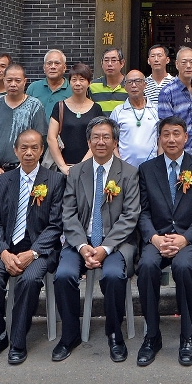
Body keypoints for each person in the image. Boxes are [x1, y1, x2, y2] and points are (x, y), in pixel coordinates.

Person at [52, 116, 140, 363]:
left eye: (106, 137)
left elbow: (130, 215)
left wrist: (104, 247)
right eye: (96, 137)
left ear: (115, 142)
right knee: (63, 275)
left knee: (113, 276)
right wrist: (82, 246)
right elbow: (67, 213)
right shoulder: (76, 172)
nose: (101, 142)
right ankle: (69, 334)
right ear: (88, 141)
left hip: (115, 243)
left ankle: (114, 333)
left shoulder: (129, 173)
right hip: (80, 242)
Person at [0, 128, 65, 365]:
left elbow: (56, 225)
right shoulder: (3, 181)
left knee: (29, 280)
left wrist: (34, 252)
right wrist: (4, 253)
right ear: (15, 150)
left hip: (38, 251)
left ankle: (17, 340)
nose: (28, 153)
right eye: (23, 148)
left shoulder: (55, 180)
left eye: (34, 148)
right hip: (5, 248)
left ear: (42, 150)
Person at [135, 116, 192, 367]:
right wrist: (154, 238)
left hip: (188, 240)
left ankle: (187, 335)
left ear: (186, 137)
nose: (171, 139)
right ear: (159, 138)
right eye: (166, 134)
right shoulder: (147, 169)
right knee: (146, 266)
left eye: (176, 133)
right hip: (156, 238)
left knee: (182, 267)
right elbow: (143, 212)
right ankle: (152, 336)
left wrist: (185, 239)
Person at [0, 64, 47, 179]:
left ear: (25, 81)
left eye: (17, 80)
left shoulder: (35, 106)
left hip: (25, 169)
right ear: (4, 80)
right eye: (9, 80)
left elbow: (40, 139)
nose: (13, 84)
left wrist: (24, 166)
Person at [47, 62, 104, 174]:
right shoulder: (59, 106)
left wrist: (81, 166)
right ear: (69, 83)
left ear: (89, 83)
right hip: (63, 168)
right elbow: (51, 138)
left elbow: (97, 139)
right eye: (74, 80)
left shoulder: (96, 108)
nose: (78, 83)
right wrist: (63, 167)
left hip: (88, 168)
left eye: (82, 79)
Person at [157, 47, 192, 157]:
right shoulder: (167, 92)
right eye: (184, 62)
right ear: (176, 64)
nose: (188, 66)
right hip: (179, 156)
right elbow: (166, 127)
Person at [112, 69, 160, 169]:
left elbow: (161, 140)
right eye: (129, 82)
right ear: (125, 87)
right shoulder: (118, 111)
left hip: (152, 168)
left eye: (138, 81)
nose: (134, 85)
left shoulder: (156, 110)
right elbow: (112, 140)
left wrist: (159, 162)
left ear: (145, 84)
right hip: (125, 168)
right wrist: (119, 162)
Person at [26, 49, 73, 117]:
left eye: (57, 63)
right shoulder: (33, 88)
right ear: (44, 68)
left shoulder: (72, 89)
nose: (53, 67)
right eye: (49, 63)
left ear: (64, 68)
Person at [89, 47, 129, 113]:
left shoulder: (130, 85)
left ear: (122, 63)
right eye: (106, 60)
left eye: (113, 60)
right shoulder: (93, 86)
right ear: (102, 63)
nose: (109, 64)